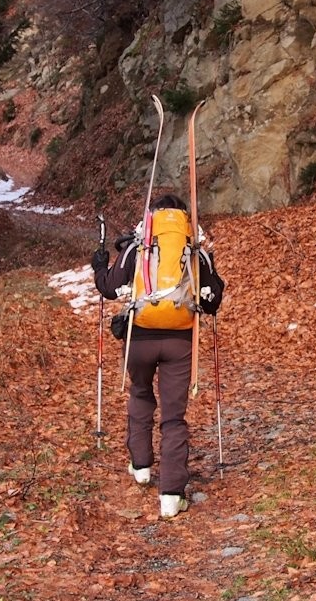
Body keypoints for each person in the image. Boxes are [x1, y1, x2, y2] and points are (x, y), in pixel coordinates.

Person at [91, 195, 224, 519]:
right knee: (173, 416)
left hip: (139, 337)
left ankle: (141, 466)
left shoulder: (138, 248)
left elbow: (109, 288)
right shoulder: (194, 251)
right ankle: (171, 495)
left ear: (152, 219)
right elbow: (213, 301)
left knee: (140, 392)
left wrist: (98, 264)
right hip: (179, 342)